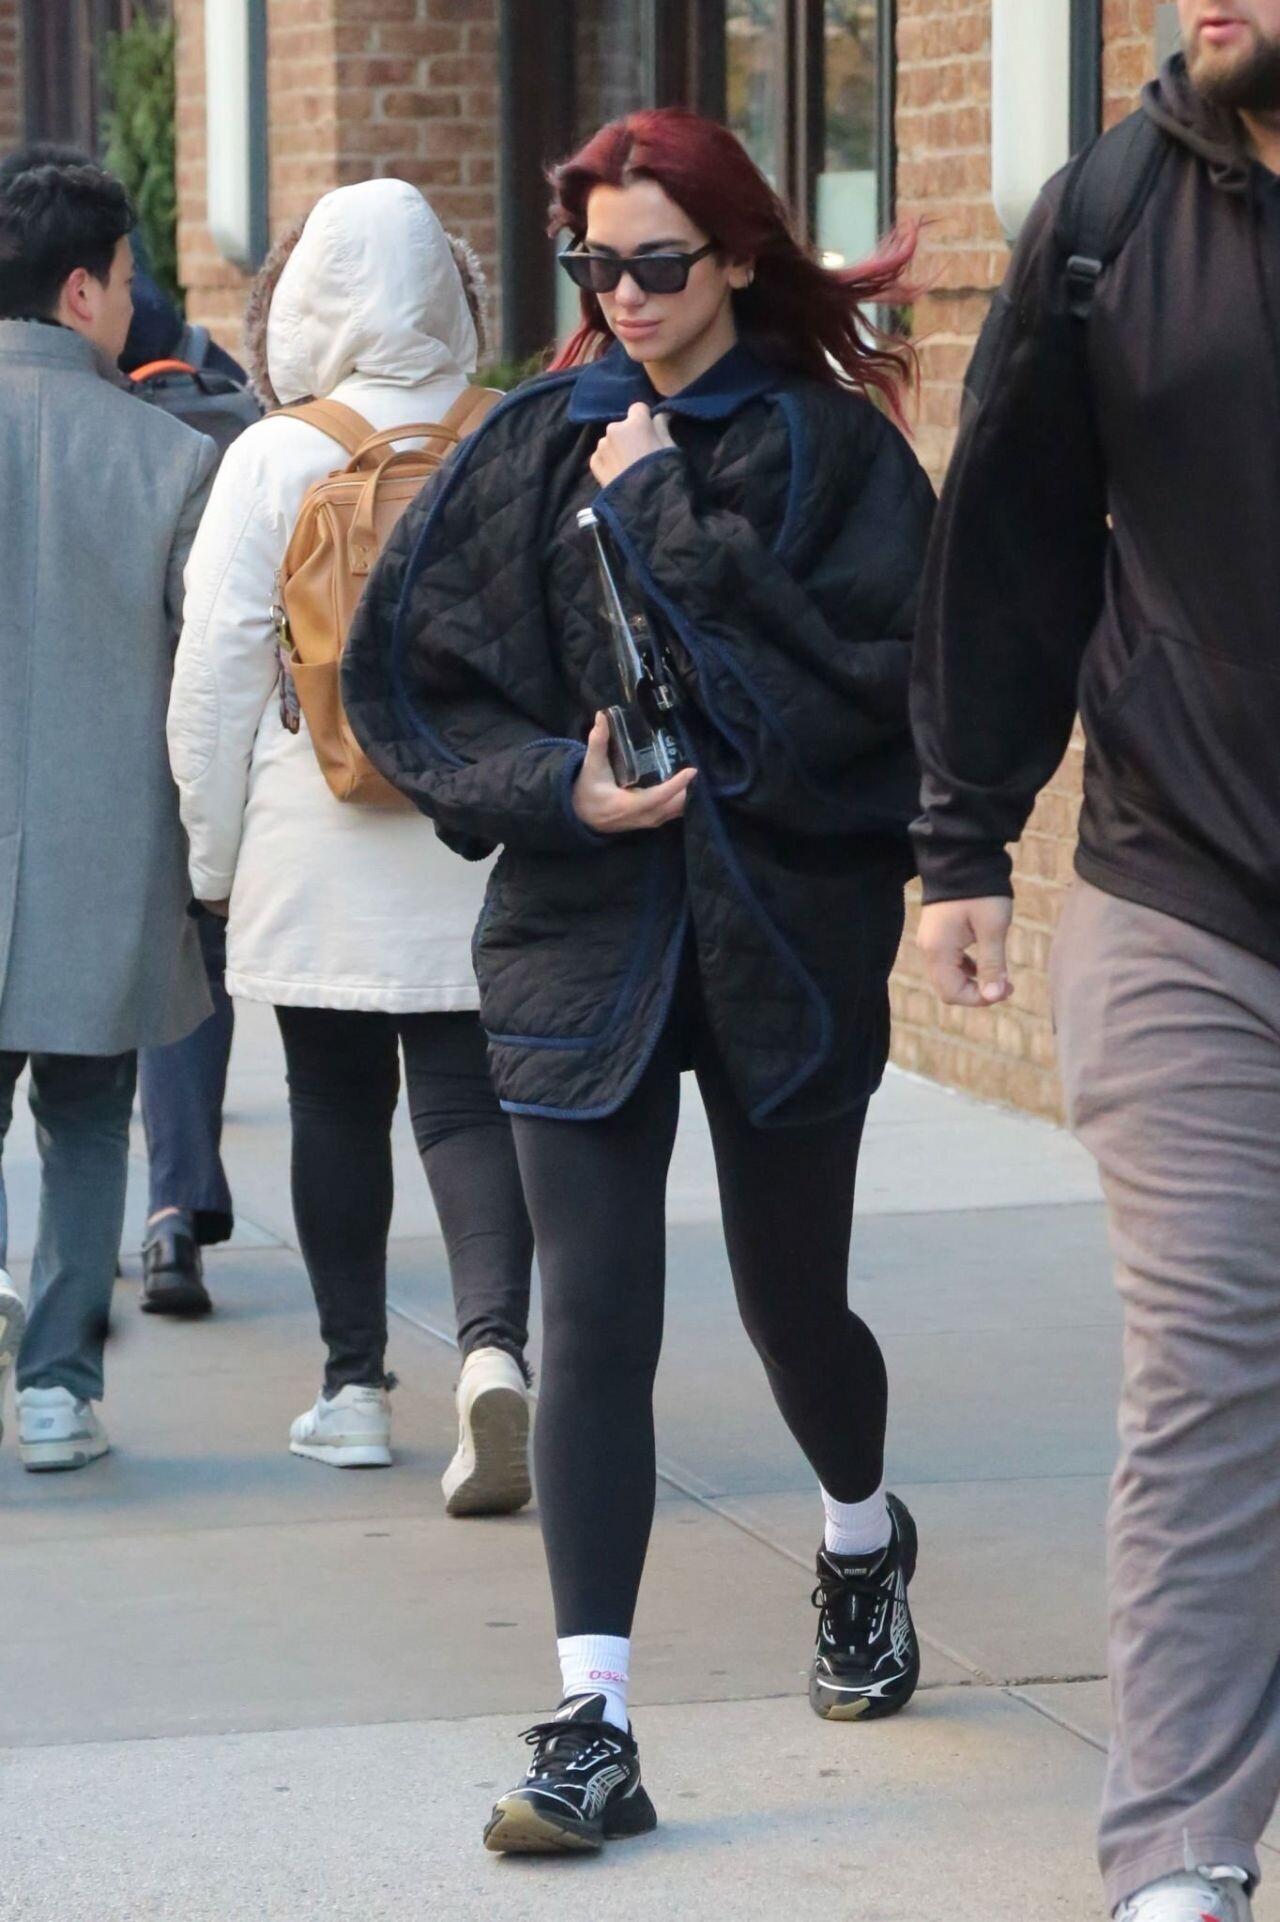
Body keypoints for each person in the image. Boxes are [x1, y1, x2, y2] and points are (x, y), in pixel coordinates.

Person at [344, 107, 935, 1855]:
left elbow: (864, 701)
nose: (623, 295)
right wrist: (561, 788)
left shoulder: (835, 457)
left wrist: (668, 508)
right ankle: (590, 1718)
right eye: (593, 263)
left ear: (739, 256)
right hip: (578, 933)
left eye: (658, 262)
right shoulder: (535, 442)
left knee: (792, 1304)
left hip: (785, 940)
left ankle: (859, 1535)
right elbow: (413, 682)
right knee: (592, 1318)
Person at [911, 8, 1280, 1921]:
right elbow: (1015, 534)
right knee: (1211, 1365)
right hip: (1181, 885)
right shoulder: (1111, 214)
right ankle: (1181, 1851)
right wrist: (962, 833)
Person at [167, 180, 535, 1515]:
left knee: (333, 1104)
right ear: (450, 290)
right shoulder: (507, 433)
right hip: (477, 825)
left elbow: (216, 674)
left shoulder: (276, 454)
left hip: (315, 827)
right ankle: (493, 1350)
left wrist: (210, 859)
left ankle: (354, 1388)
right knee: (469, 1104)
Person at [0, 142, 248, 1322]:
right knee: (91, 1122)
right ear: (81, 289)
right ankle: (60, 1381)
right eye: (126, 273)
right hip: (109, 861)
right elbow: (204, 682)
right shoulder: (175, 458)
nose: (132, 294)